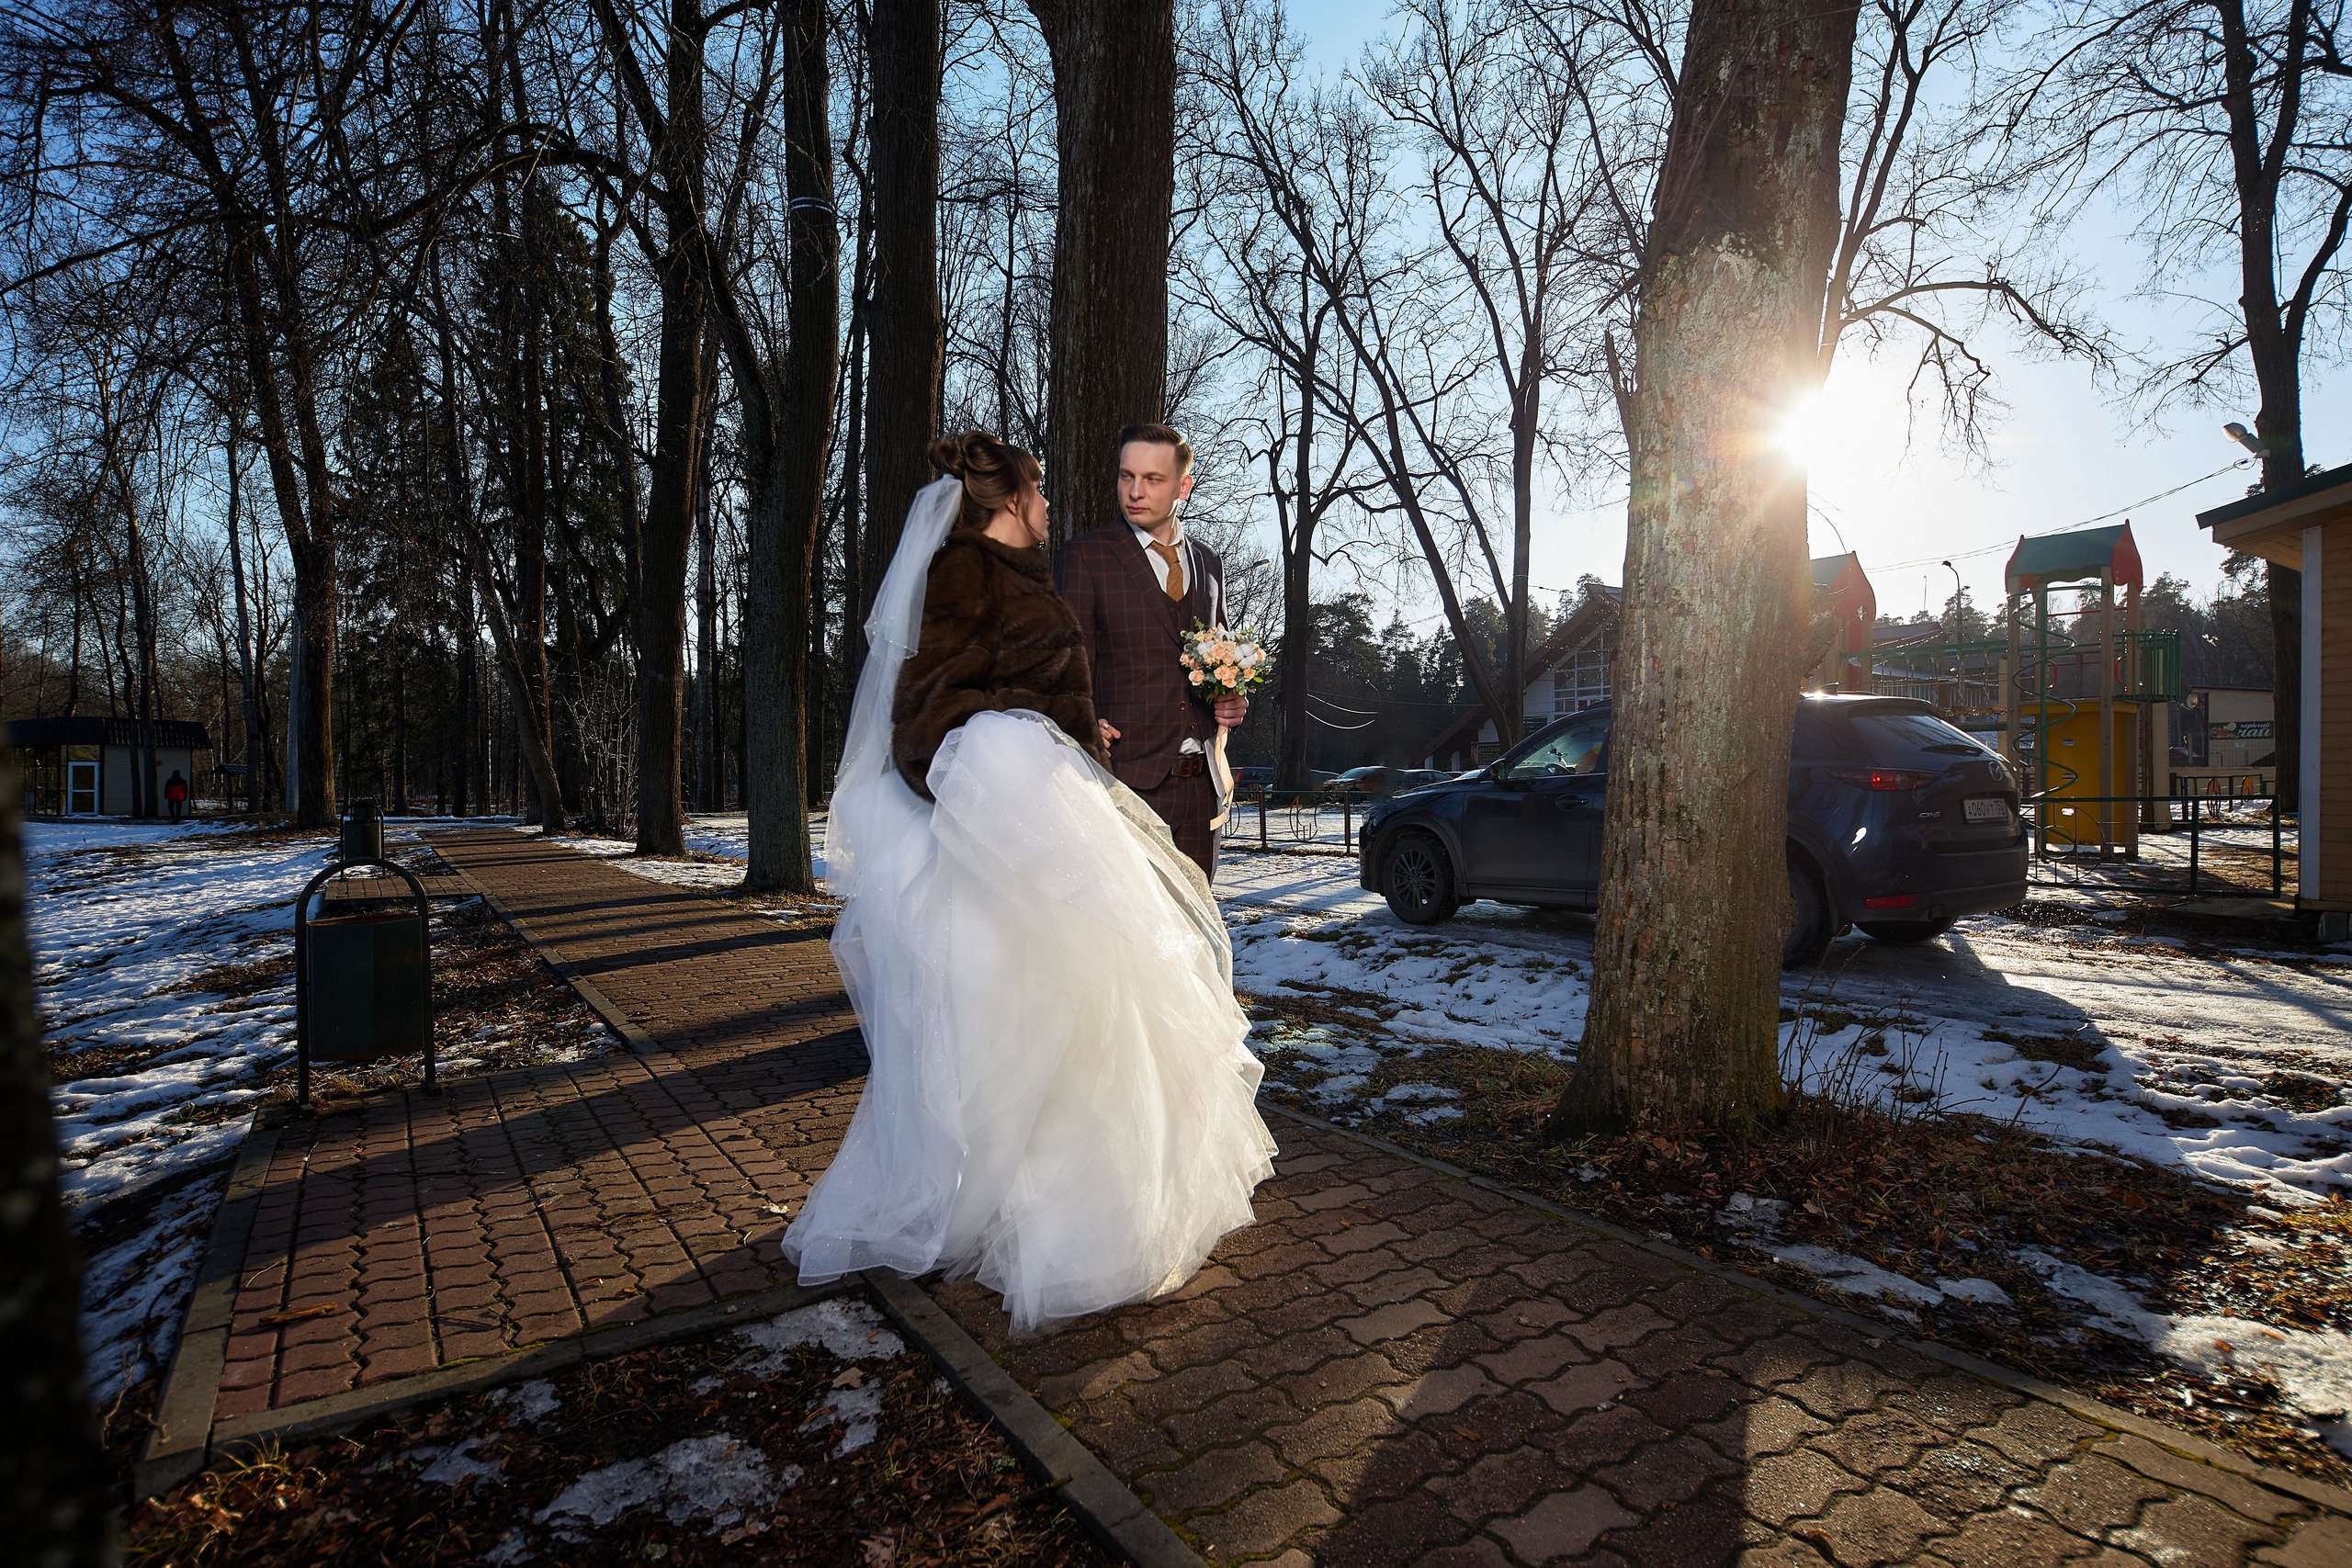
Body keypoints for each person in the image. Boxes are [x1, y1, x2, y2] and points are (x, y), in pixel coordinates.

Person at [785, 431, 1274, 1333]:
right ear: (1007, 503)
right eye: (1039, 493)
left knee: (1088, 1007)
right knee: (1039, 1013)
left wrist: (1081, 731)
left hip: (1065, 808)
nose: (1054, 504)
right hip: (1012, 831)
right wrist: (1022, 744)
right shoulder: (960, 576)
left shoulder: (1035, 573)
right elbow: (926, 716)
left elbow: (1056, 683)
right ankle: (1015, 1206)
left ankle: (1068, 1192)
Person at [1055, 424, 1247, 880]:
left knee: (1195, 938)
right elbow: (1063, 666)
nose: (1134, 491)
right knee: (1130, 945)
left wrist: (1233, 701)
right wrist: (1078, 720)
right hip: (1125, 783)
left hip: (1202, 788)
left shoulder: (1209, 563)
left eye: (1152, 479)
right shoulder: (1085, 557)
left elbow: (1218, 661)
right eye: (1126, 476)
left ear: (1184, 486)